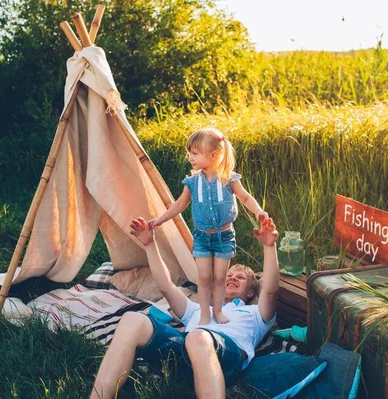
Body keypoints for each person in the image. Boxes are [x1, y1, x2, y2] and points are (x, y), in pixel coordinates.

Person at [90, 216, 280, 399]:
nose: (232, 278)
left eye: (240, 278)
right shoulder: (199, 309)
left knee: (198, 336)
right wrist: (150, 245)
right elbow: (166, 287)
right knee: (133, 320)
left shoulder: (255, 314)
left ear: (250, 293)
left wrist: (269, 246)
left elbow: (270, 291)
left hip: (226, 360)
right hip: (184, 357)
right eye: (229, 275)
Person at [148, 127, 268, 325]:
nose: (190, 158)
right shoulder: (192, 182)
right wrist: (159, 220)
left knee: (220, 279)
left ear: (214, 155)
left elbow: (245, 197)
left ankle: (218, 311)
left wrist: (259, 211)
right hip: (202, 238)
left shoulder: (229, 179)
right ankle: (205, 313)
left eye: (194, 154)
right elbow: (178, 204)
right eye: (189, 154)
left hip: (224, 238)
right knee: (204, 279)